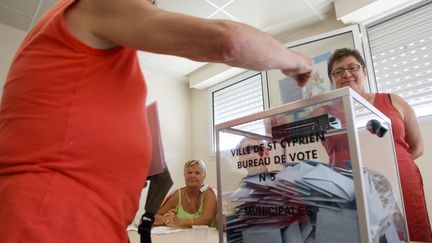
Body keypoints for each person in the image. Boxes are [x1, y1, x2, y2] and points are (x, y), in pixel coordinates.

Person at [0, 0, 313, 242]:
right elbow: (229, 41)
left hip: (92, 222)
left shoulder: (97, 58)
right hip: (51, 219)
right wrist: (294, 60)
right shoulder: (93, 7)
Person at [325, 48, 431, 242]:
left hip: (402, 187)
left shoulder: (393, 100)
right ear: (332, 80)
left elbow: (417, 148)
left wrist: (386, 167)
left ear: (364, 71)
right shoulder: (322, 113)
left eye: (352, 67)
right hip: (350, 193)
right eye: (338, 71)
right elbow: (283, 132)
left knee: (411, 235)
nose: (346, 74)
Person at [154, 159, 217, 227]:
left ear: (204, 176)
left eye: (197, 173)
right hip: (181, 237)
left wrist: (179, 221)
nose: (192, 176)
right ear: (184, 175)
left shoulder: (209, 193)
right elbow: (155, 216)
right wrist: (167, 219)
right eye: (189, 173)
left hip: (206, 237)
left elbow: (206, 219)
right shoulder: (178, 194)